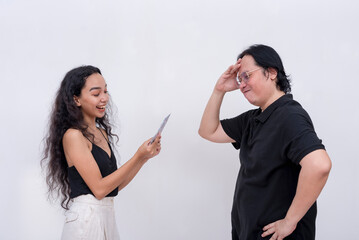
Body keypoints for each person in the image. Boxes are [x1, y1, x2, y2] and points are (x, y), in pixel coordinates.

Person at [198, 44, 331, 240]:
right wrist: (219, 91)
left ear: (271, 73)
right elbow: (208, 131)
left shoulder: (289, 116)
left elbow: (319, 165)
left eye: (247, 76)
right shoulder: (253, 119)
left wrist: (289, 221)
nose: (242, 85)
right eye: (239, 78)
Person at [42, 65, 162, 240]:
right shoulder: (73, 136)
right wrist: (137, 155)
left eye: (105, 91)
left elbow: (114, 187)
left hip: (106, 216)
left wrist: (143, 158)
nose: (104, 98)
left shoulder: (102, 133)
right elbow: (99, 189)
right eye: (96, 94)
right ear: (76, 99)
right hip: (86, 220)